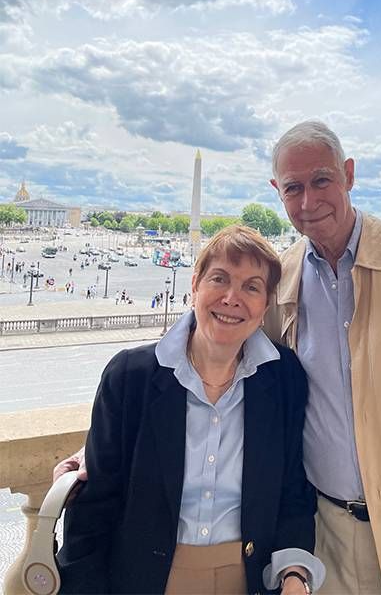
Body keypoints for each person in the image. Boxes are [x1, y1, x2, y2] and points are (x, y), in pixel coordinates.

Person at [56, 121, 381, 595]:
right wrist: (99, 447)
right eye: (293, 188)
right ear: (277, 191)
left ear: (349, 175)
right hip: (328, 537)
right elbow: (235, 369)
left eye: (321, 180)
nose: (308, 202)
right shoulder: (284, 280)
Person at [57, 225, 324, 595]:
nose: (232, 298)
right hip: (144, 580)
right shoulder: (129, 377)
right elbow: (93, 510)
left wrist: (294, 573)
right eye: (220, 279)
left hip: (248, 578)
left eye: (251, 286)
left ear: (266, 305)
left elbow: (293, 490)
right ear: (194, 284)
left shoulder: (284, 379)